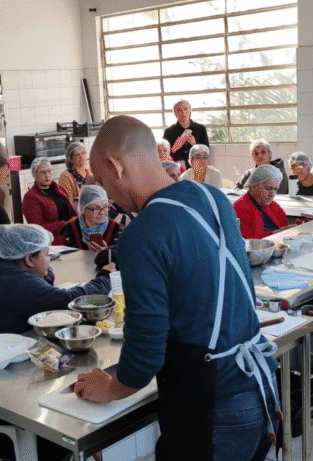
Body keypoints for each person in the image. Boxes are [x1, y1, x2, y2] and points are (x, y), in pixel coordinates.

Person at [74, 115, 279, 461]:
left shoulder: (142, 234)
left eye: (105, 181)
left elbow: (146, 347)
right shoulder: (213, 197)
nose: (108, 197)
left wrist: (110, 388)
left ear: (116, 165)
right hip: (254, 389)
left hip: (212, 405)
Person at [0, 224, 114, 342]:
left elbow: (46, 277)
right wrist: (106, 276)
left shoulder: (0, 266)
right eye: (46, 254)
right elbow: (75, 301)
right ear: (28, 259)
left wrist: (41, 267)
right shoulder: (18, 283)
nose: (49, 260)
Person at [22, 157, 77, 238]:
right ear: (34, 174)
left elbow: (72, 213)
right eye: (42, 172)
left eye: (49, 171)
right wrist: (64, 225)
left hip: (71, 234)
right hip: (51, 240)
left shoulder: (60, 189)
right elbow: (37, 228)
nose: (47, 175)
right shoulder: (30, 197)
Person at [234, 165, 290, 239]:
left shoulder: (273, 206)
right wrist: (276, 233)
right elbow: (246, 241)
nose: (272, 194)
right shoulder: (239, 209)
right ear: (253, 186)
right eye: (268, 189)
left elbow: (285, 227)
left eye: (275, 189)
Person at [59, 185, 124, 250]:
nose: (102, 212)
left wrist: (107, 253)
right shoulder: (69, 229)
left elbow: (124, 257)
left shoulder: (118, 231)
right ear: (83, 209)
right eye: (95, 208)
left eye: (105, 206)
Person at [162, 99, 209, 167]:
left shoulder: (201, 129)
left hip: (196, 167)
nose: (183, 112)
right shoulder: (168, 131)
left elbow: (207, 152)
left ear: (190, 111)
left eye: (185, 109)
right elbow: (163, 156)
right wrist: (175, 148)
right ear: (175, 113)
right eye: (179, 110)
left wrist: (195, 145)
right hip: (175, 168)